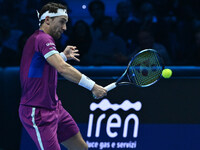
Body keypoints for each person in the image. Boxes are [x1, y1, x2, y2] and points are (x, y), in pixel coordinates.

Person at [18, 2, 107, 150]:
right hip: (37, 111)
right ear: (48, 20)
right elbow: (62, 68)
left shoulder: (41, 39)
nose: (65, 28)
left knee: (81, 148)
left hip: (55, 108)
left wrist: (62, 56)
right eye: (62, 22)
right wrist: (93, 87)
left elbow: (43, 64)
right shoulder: (42, 39)